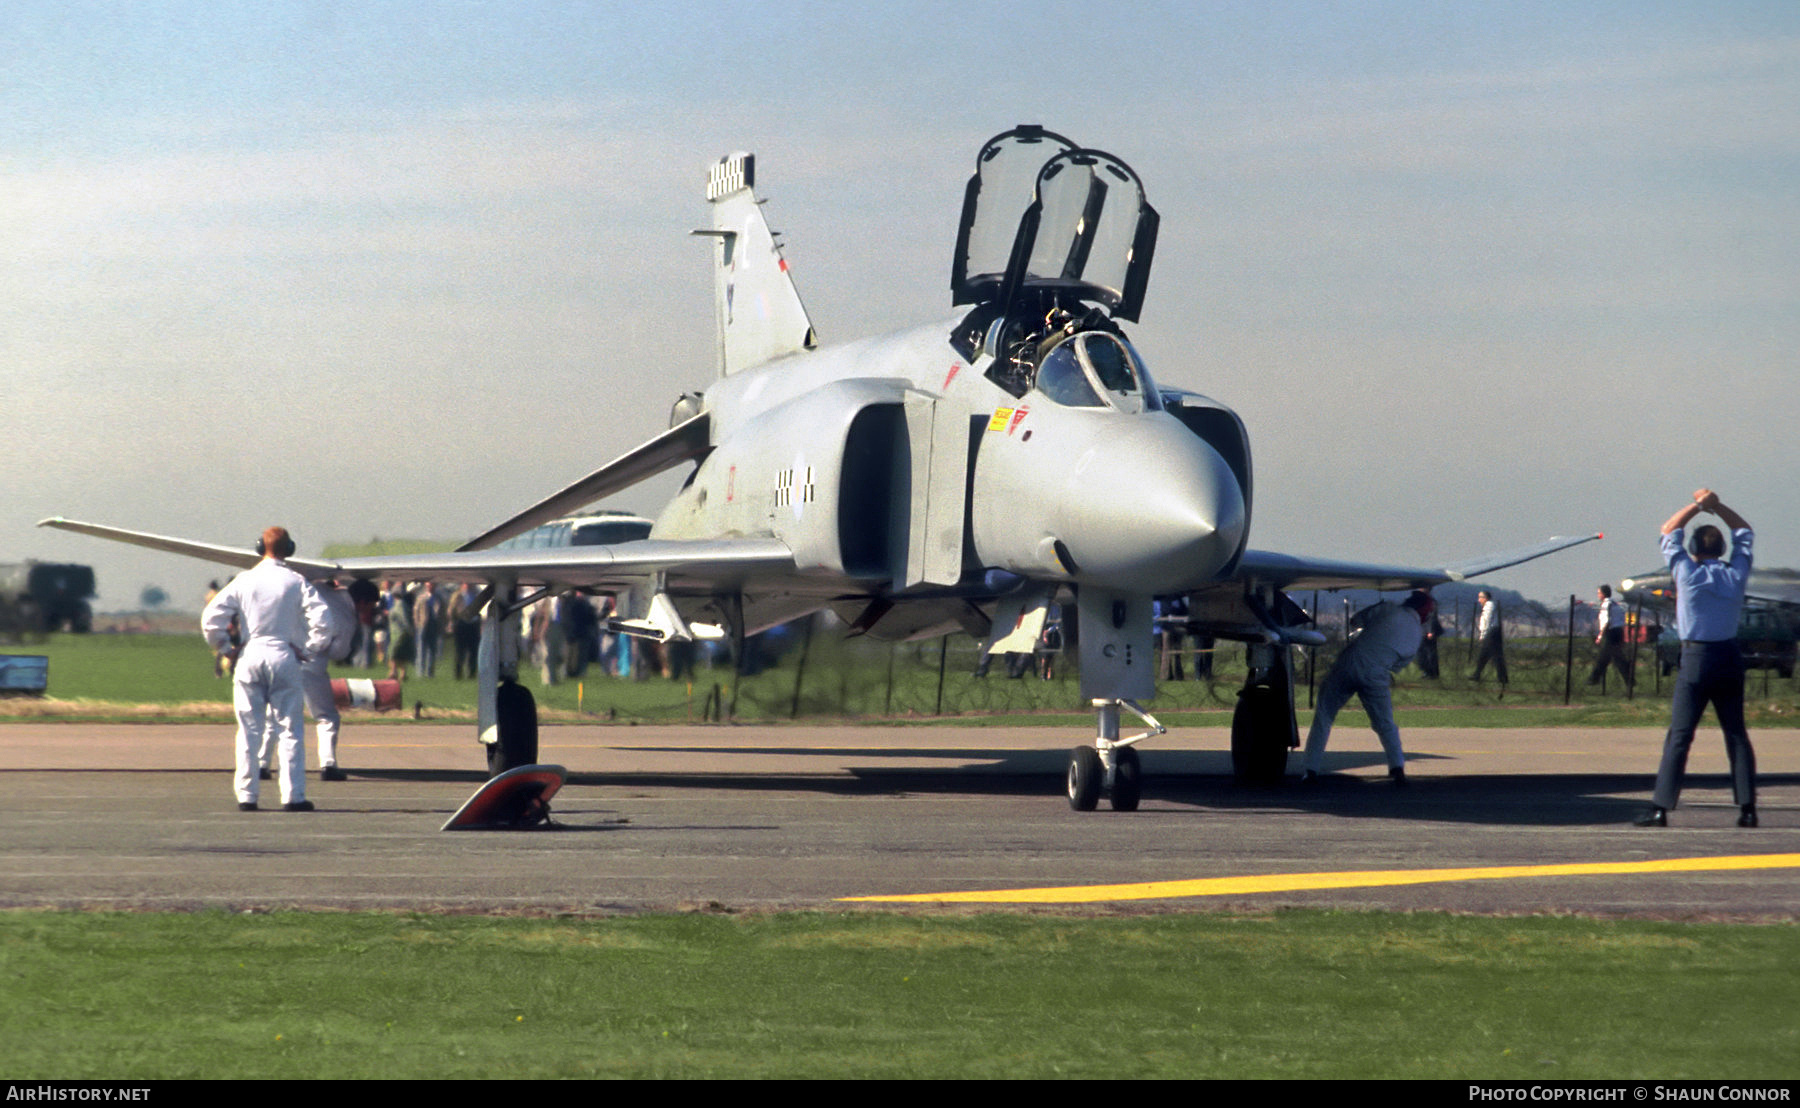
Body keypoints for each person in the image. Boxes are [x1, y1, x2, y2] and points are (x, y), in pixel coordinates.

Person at [1637, 489, 1757, 828]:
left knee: (1680, 735)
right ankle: (1748, 808)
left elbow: (1667, 530)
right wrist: (1718, 506)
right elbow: (1745, 534)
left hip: (1696, 657)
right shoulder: (1735, 575)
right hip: (1729, 655)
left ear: (1694, 549)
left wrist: (1696, 506)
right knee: (1735, 733)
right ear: (1721, 549)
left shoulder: (1686, 574)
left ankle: (1661, 807)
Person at [201, 526, 331, 811]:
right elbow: (324, 622)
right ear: (290, 549)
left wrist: (226, 649)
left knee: (249, 730)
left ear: (260, 547)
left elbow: (211, 619)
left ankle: (247, 795)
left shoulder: (244, 580)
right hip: (283, 655)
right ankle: (293, 796)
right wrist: (308, 650)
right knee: (290, 730)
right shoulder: (296, 581)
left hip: (250, 655)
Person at [1301, 590, 1435, 786]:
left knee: (1324, 716)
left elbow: (1356, 620)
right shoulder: (1415, 636)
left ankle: (1310, 769)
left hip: (1349, 664)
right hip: (1377, 675)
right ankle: (1397, 767)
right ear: (1425, 614)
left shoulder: (1388, 608)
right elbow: (1398, 665)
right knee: (1385, 723)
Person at [261, 579, 358, 782]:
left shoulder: (306, 589)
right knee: (326, 716)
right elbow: (339, 652)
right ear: (365, 602)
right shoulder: (345, 612)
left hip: (281, 658)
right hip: (311, 665)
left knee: (274, 714)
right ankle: (328, 764)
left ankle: (262, 763)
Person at [1587, 584, 1634, 690]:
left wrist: (1600, 636)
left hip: (1610, 632)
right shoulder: (1616, 604)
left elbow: (1606, 621)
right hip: (1619, 631)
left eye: (1599, 593)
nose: (1598, 595)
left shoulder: (1605, 605)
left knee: (1613, 657)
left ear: (1603, 594)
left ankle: (1594, 679)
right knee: (1609, 656)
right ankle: (1594, 678)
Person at [1469, 589, 1508, 687]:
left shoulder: (1488, 606)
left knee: (1492, 655)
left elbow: (1487, 620)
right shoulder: (1489, 606)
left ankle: (1501, 677)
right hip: (1493, 631)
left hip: (1491, 633)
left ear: (1485, 598)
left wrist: (1483, 634)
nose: (1479, 600)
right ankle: (1478, 674)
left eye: (1480, 597)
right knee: (1488, 655)